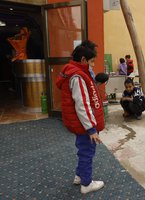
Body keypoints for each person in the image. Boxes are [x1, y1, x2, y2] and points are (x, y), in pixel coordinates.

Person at [56, 40, 105, 194]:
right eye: (91, 62)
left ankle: (79, 176)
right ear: (83, 60)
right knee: (87, 152)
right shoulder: (77, 76)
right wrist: (91, 129)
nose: (93, 65)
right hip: (84, 125)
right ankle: (86, 184)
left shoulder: (74, 72)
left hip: (79, 123)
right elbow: (82, 105)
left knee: (82, 149)